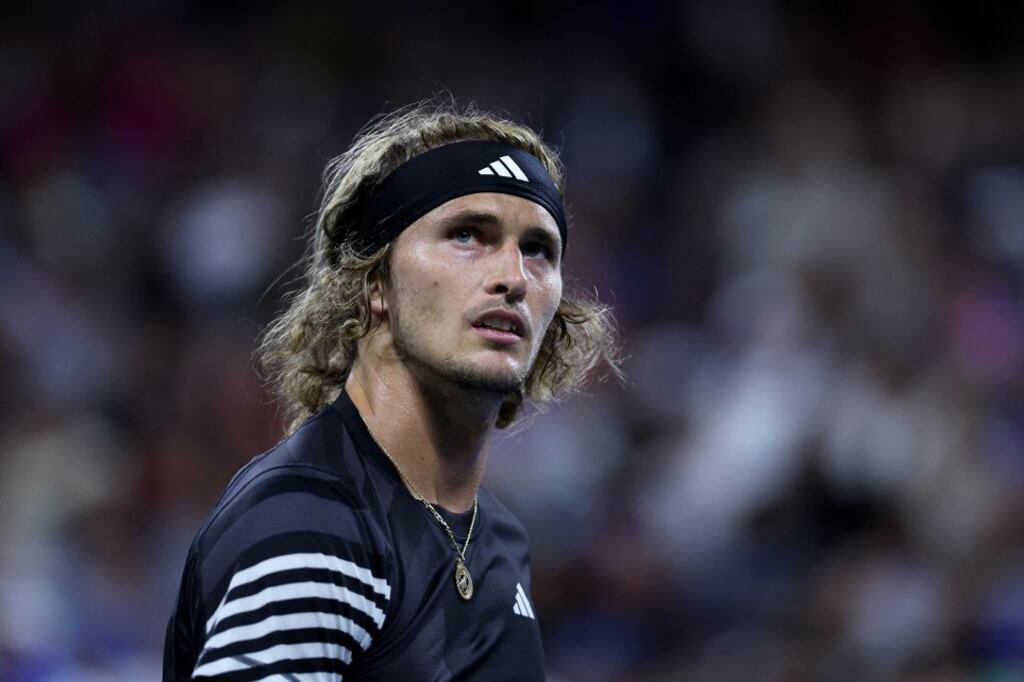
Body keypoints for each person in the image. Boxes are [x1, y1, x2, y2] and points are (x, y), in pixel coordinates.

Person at [163, 101, 620, 680]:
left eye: (538, 249)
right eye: (467, 235)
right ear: (374, 282)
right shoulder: (313, 519)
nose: (514, 276)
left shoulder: (499, 539)